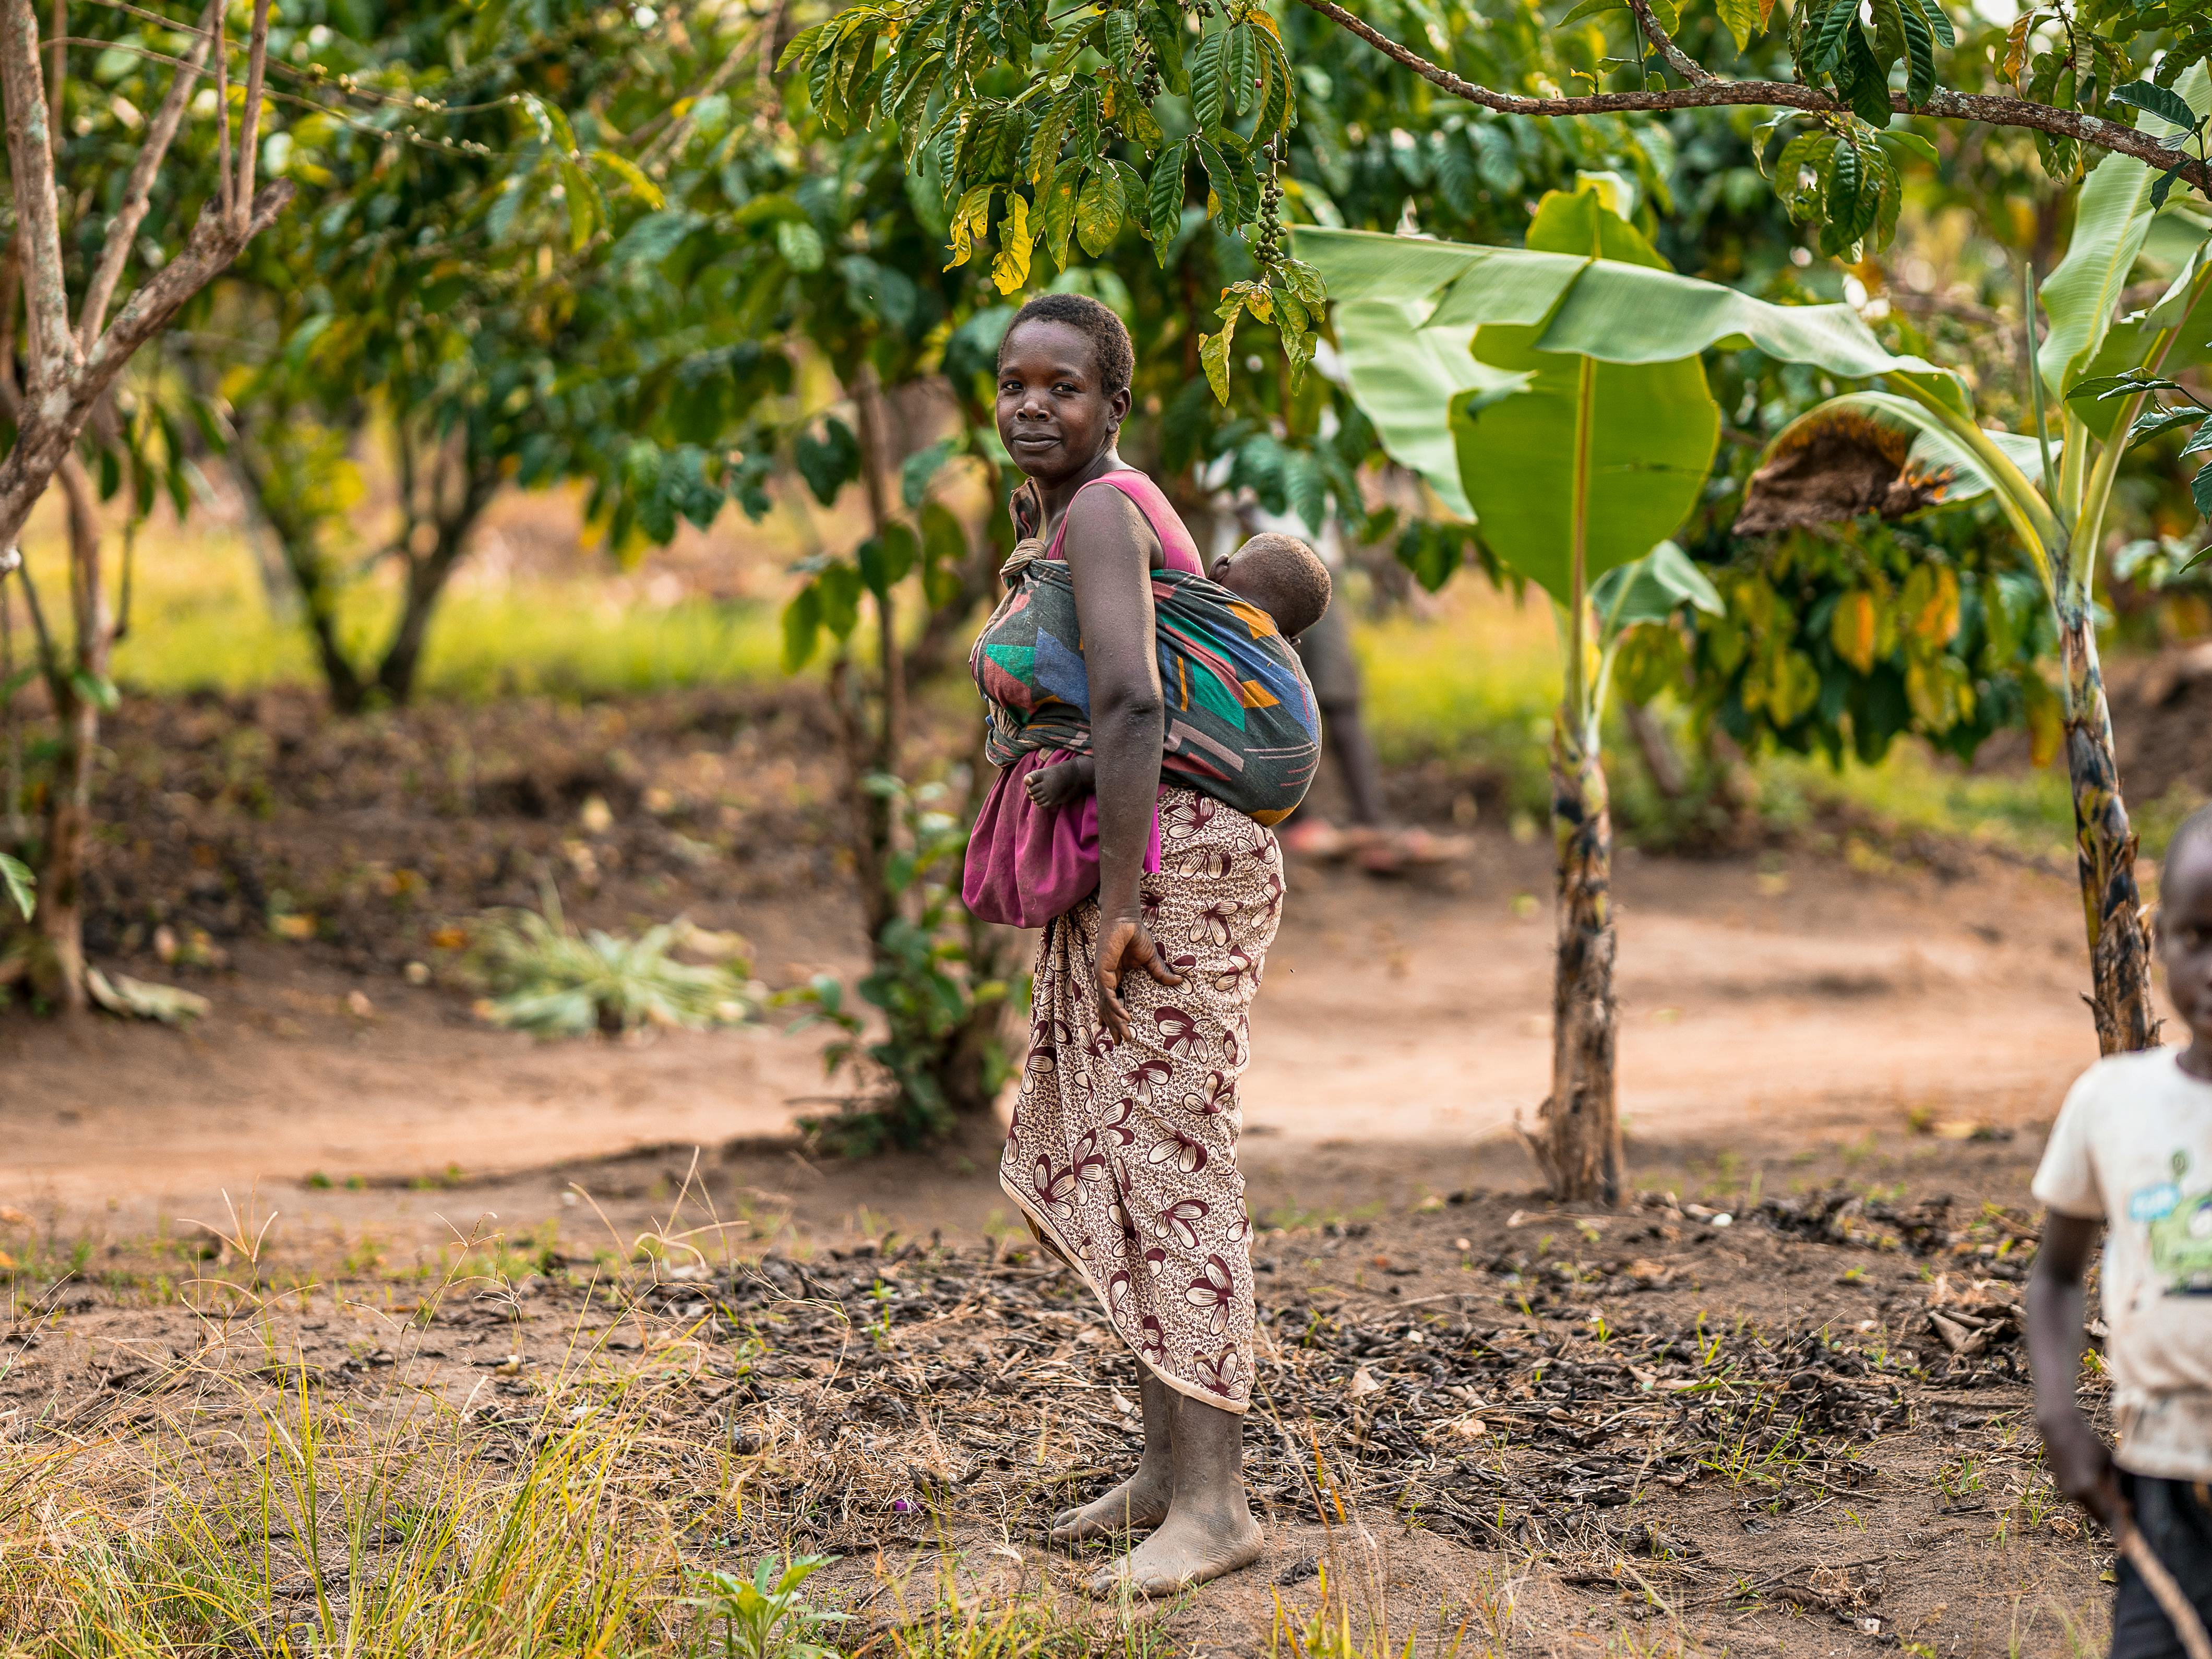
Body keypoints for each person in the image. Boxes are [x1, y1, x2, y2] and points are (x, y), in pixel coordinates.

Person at [964, 291, 1277, 1597]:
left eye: (1063, 387)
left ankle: (1214, 1506)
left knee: (1171, 1163)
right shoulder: (1074, 515)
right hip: (1140, 863)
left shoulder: (1100, 509)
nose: (1032, 404)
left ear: (1113, 406)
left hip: (1167, 875)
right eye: (1012, 383)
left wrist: (1129, 898)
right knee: (1124, 1150)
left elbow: (1139, 697)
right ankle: (1163, 1476)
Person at [2029, 804, 2212, 1657]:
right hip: (2161, 1476)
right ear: (2157, 940)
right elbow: (2057, 1274)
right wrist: (2058, 1417)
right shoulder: (2110, 1101)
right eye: (2195, 937)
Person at [1021, 531, 1332, 811]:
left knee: (1144, 724)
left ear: (1220, 569)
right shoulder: (1278, 665)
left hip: (1172, 743)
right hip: (1274, 787)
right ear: (1290, 641)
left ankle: (1081, 773)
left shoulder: (1181, 596)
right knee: (1176, 741)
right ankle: (1088, 771)